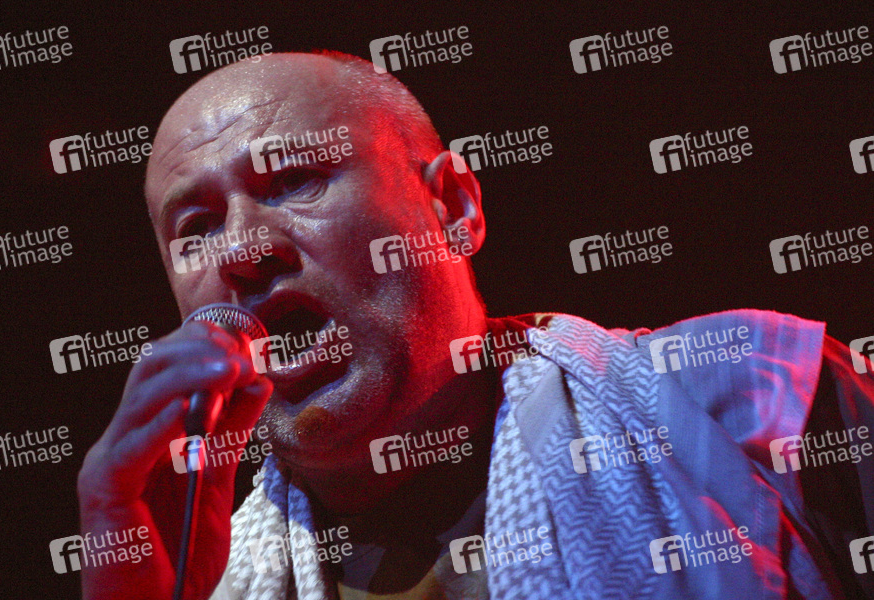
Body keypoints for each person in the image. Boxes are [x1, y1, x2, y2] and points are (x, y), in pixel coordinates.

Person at [77, 51, 874, 600]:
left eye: (293, 180)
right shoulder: (201, 578)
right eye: (195, 228)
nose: (243, 250)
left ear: (451, 208)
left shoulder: (754, 395)